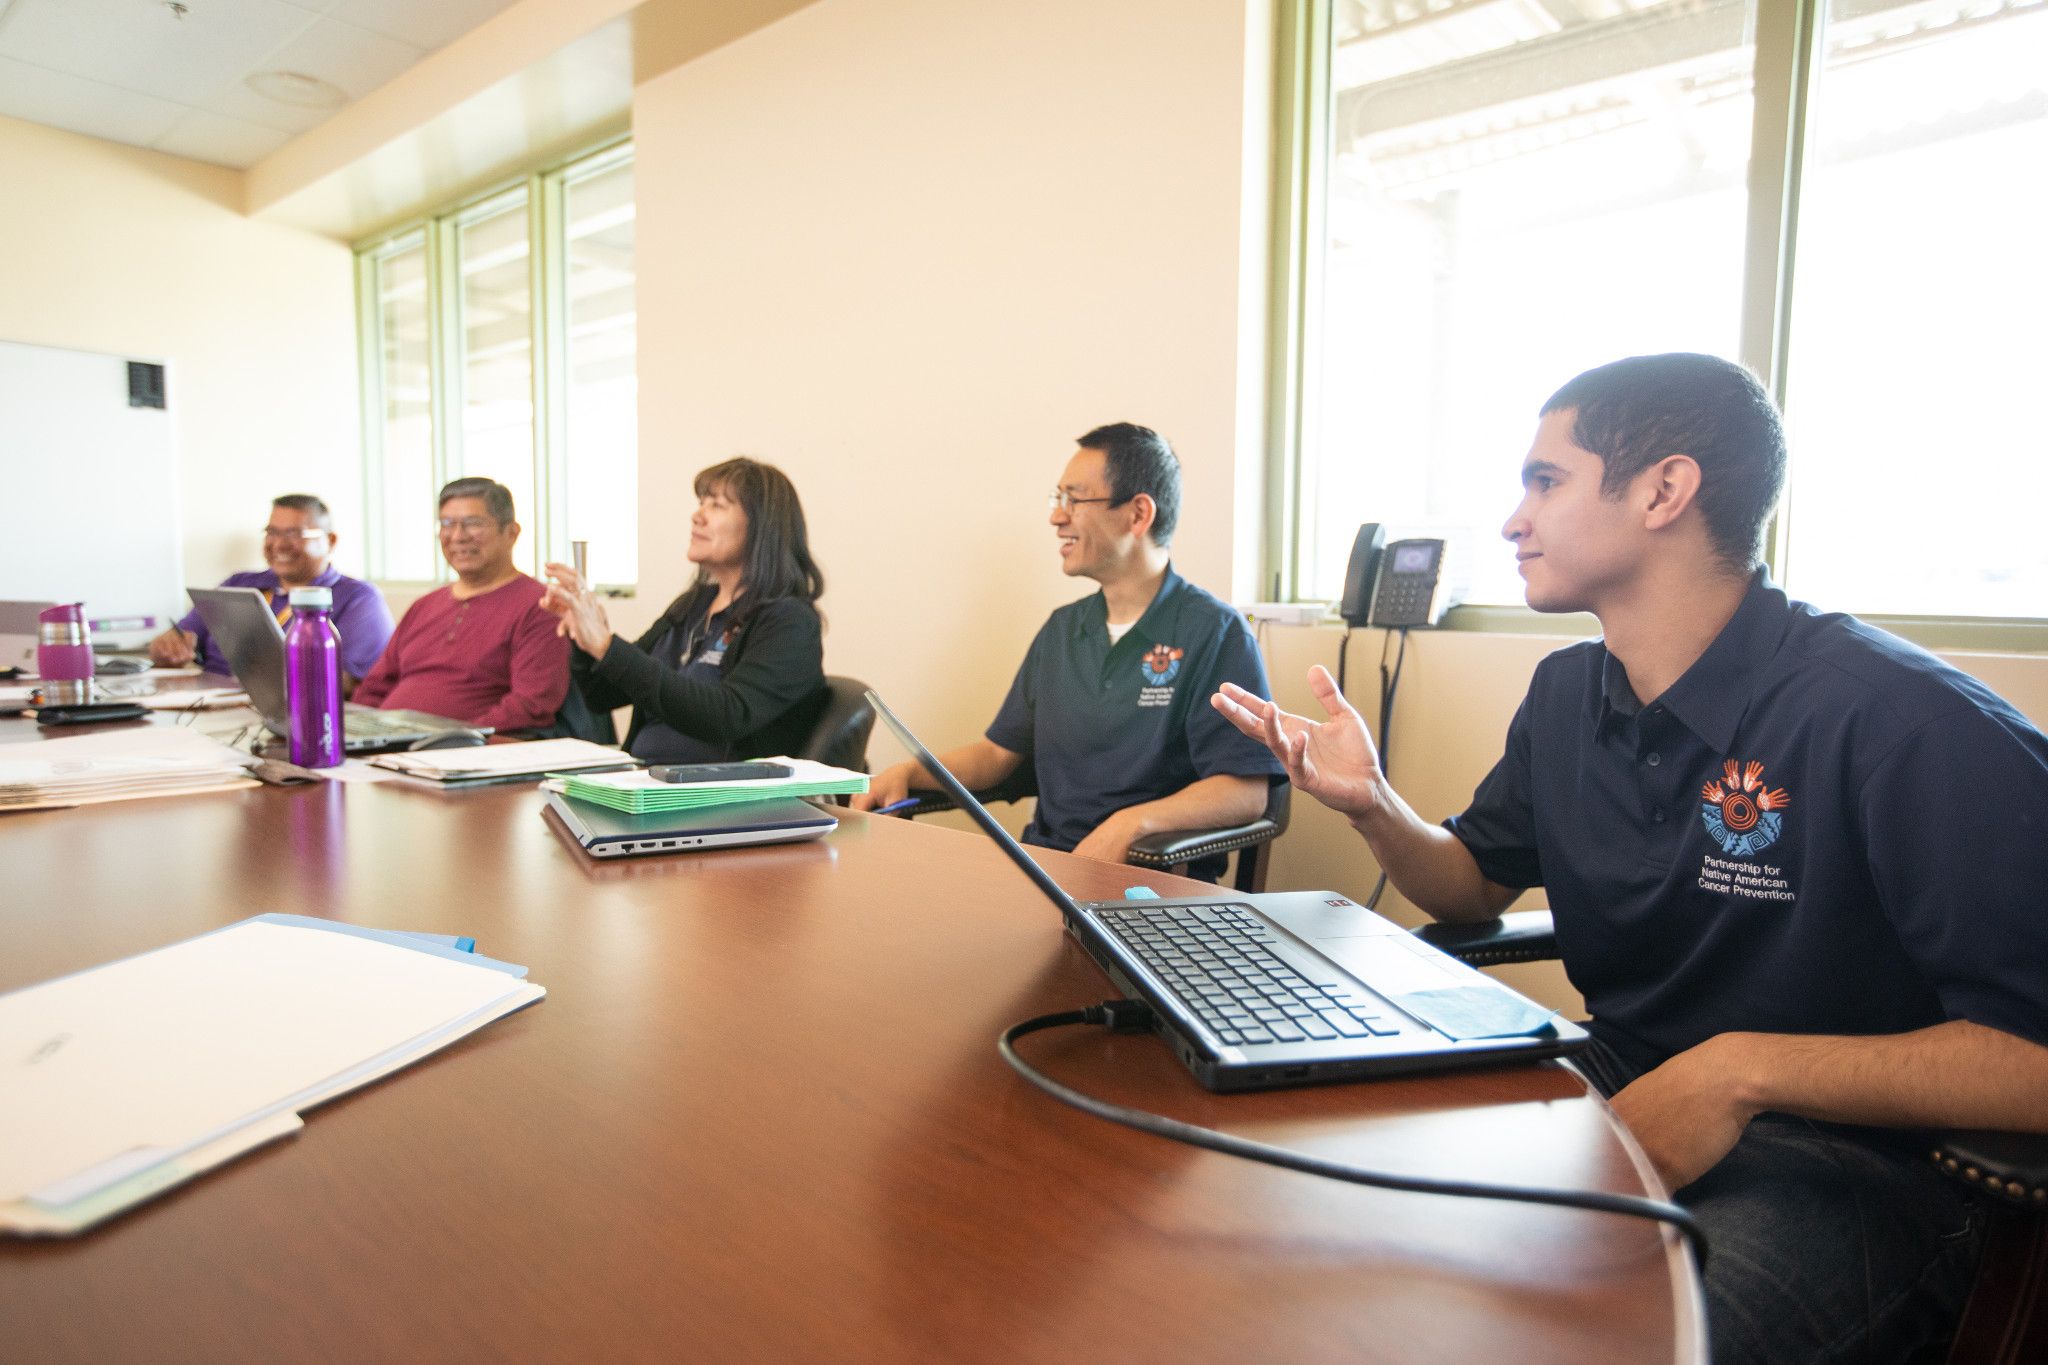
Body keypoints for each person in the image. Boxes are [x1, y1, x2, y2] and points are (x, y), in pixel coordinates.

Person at [1213, 353, 2048, 1363]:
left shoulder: (1900, 723)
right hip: (1618, 1079)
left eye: (1544, 482)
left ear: (1662, 491)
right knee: (1325, 1231)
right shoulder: (1567, 694)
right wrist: (1373, 804)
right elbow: (1469, 883)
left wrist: (1739, 1072)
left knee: (1624, 1344)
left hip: (1856, 1158)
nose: (1513, 521)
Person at [855, 423, 1285, 880]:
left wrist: (1130, 825)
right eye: (1057, 499)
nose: (1057, 517)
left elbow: (1244, 792)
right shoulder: (1063, 630)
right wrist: (910, 772)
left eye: (1075, 500)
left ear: (1138, 514)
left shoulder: (1215, 633)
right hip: (1045, 872)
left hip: (1153, 884)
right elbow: (997, 755)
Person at [539, 458, 828, 762]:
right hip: (643, 778)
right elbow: (602, 695)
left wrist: (607, 645)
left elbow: (727, 715)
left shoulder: (790, 621)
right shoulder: (694, 605)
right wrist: (584, 638)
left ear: (762, 526)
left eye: (716, 505)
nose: (697, 516)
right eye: (701, 503)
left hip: (719, 788)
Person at [351, 477, 569, 731]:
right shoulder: (424, 605)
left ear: (511, 532)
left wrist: (455, 739)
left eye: (473, 523)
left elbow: (530, 705)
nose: (457, 536)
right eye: (447, 524)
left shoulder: (541, 605)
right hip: (387, 743)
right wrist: (359, 732)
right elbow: (374, 688)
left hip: (468, 747)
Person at [149, 494, 394, 690]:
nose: (279, 544)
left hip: (288, 711)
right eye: (272, 532)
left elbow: (348, 683)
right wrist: (166, 649)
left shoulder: (358, 598)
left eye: (294, 533)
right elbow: (177, 639)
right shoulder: (239, 584)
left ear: (330, 541)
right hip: (205, 702)